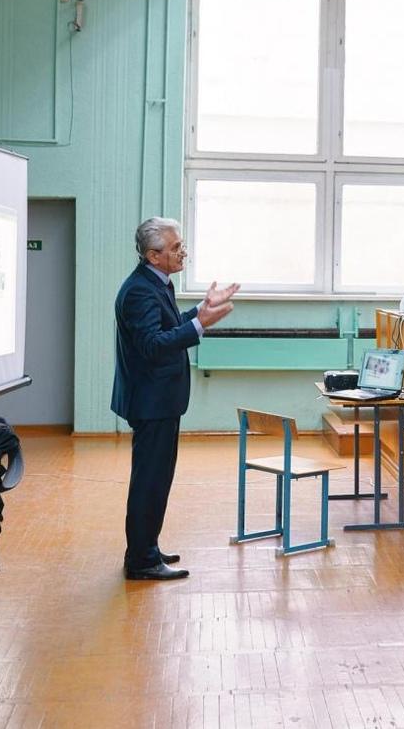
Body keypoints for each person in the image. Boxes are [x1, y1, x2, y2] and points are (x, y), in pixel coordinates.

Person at [112, 217, 238, 580]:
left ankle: (146, 548)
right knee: (150, 480)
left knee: (156, 479)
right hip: (152, 401)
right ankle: (141, 561)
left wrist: (199, 310)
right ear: (153, 255)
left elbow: (166, 325)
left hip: (160, 399)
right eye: (176, 248)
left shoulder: (157, 283)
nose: (183, 252)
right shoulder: (139, 291)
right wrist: (200, 325)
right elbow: (153, 344)